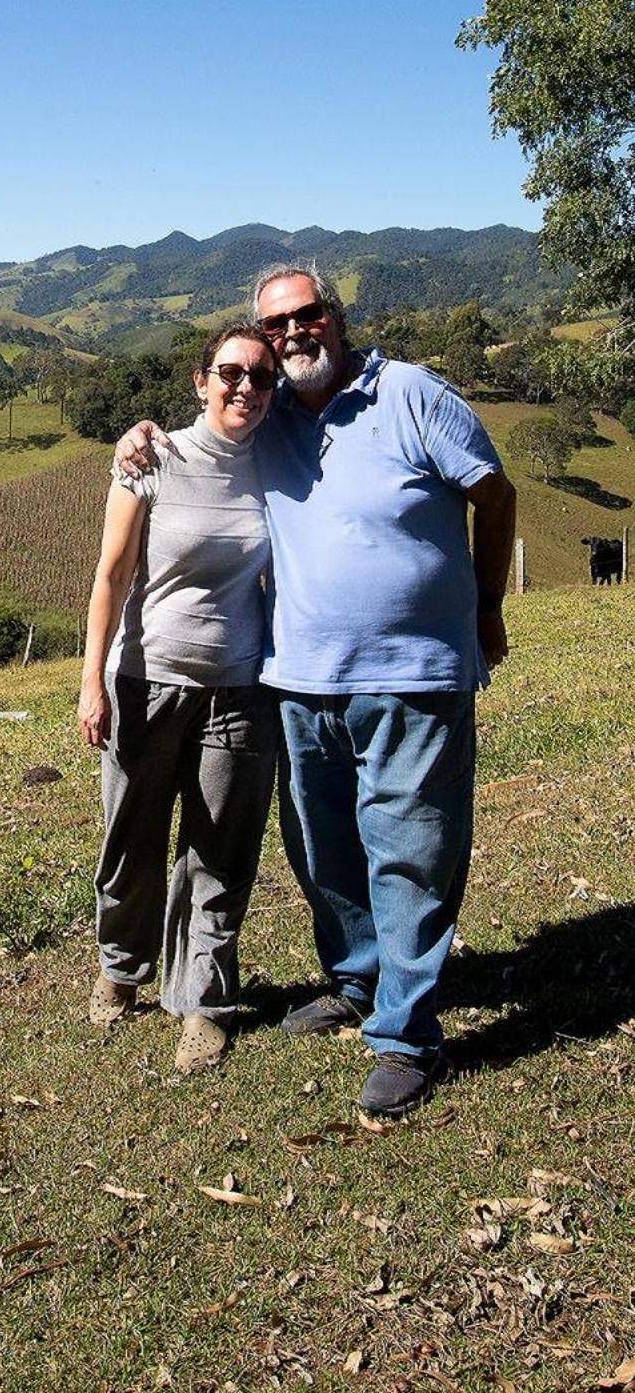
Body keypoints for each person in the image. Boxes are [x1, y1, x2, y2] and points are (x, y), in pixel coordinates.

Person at [114, 264, 516, 1116]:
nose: (292, 336)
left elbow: (494, 491)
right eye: (275, 328)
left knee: (409, 848)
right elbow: (206, 437)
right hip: (299, 679)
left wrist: (485, 608)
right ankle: (358, 978)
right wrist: (136, 438)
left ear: (334, 317)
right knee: (322, 848)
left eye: (307, 316)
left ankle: (406, 1035)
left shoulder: (408, 394)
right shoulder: (272, 418)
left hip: (413, 674)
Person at [79, 322, 279, 1073]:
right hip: (145, 681)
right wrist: (91, 679)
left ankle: (204, 1000)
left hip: (240, 688)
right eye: (229, 373)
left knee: (219, 851)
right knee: (129, 842)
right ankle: (120, 965)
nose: (245, 388)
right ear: (200, 381)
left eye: (260, 377)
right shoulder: (151, 457)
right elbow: (112, 573)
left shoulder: (280, 458)